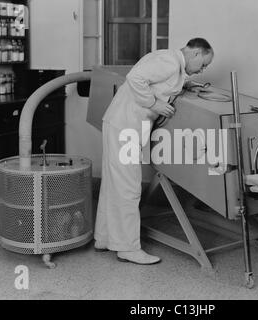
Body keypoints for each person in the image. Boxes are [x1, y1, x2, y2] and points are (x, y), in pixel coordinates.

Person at [94, 38, 214, 265]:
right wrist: (153, 104)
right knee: (128, 187)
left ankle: (105, 237)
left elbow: (154, 82)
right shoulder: (169, 62)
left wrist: (184, 85)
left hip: (122, 125)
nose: (202, 70)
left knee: (114, 184)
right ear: (196, 53)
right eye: (204, 65)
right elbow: (135, 78)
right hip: (125, 128)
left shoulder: (170, 62)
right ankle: (127, 248)